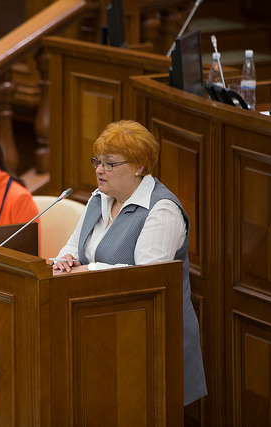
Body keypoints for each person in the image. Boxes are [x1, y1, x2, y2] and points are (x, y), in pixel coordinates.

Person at [52, 120, 207, 406]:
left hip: (149, 336)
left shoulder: (161, 209)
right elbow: (74, 245)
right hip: (101, 327)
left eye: (110, 164)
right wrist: (65, 260)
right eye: (97, 161)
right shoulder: (100, 198)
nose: (99, 170)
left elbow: (147, 280)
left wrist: (88, 270)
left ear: (138, 166)